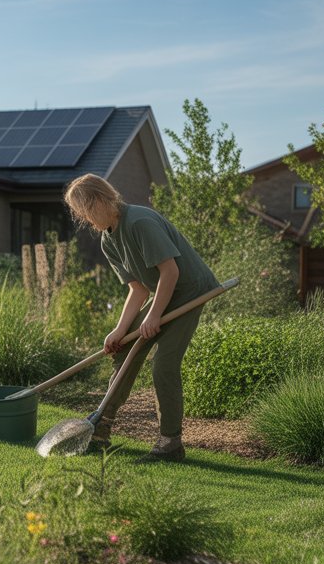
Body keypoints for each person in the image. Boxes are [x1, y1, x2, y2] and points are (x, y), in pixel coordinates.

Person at [63, 174, 219, 461]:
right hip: (165, 292)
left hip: (190, 291)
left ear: (98, 201)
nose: (83, 218)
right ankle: (101, 426)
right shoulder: (108, 240)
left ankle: (170, 443)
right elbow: (138, 289)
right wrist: (119, 330)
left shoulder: (139, 222)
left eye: (83, 211)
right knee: (122, 353)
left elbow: (170, 272)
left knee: (164, 364)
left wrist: (155, 316)